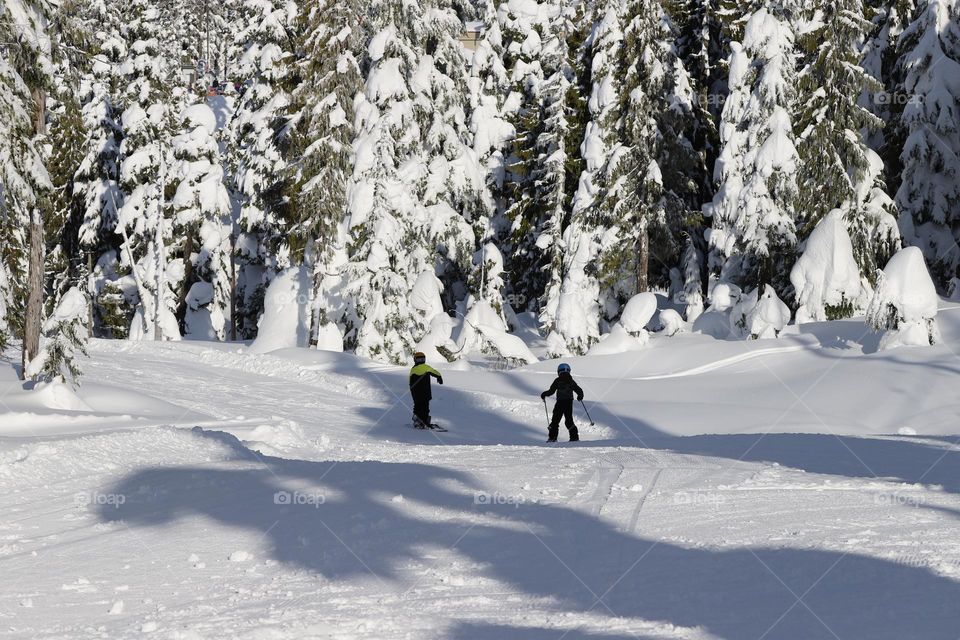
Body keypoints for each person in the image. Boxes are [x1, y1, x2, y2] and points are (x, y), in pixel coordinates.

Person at [540, 363, 583, 442]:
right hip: (569, 402)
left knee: (555, 420)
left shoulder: (557, 380)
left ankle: (552, 438)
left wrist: (544, 394)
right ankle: (574, 437)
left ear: (559, 371)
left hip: (560, 402)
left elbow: (551, 391)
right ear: (569, 371)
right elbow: (578, 389)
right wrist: (580, 396)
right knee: (569, 421)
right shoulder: (571, 380)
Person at [409, 352, 443, 428]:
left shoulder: (413, 369)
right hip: (425, 392)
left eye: (422, 359)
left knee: (419, 405)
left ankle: (419, 419)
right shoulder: (426, 367)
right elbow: (436, 372)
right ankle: (422, 420)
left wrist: (411, 389)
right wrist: (439, 377)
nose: (421, 360)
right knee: (424, 406)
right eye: (420, 359)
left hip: (416, 392)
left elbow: (410, 381)